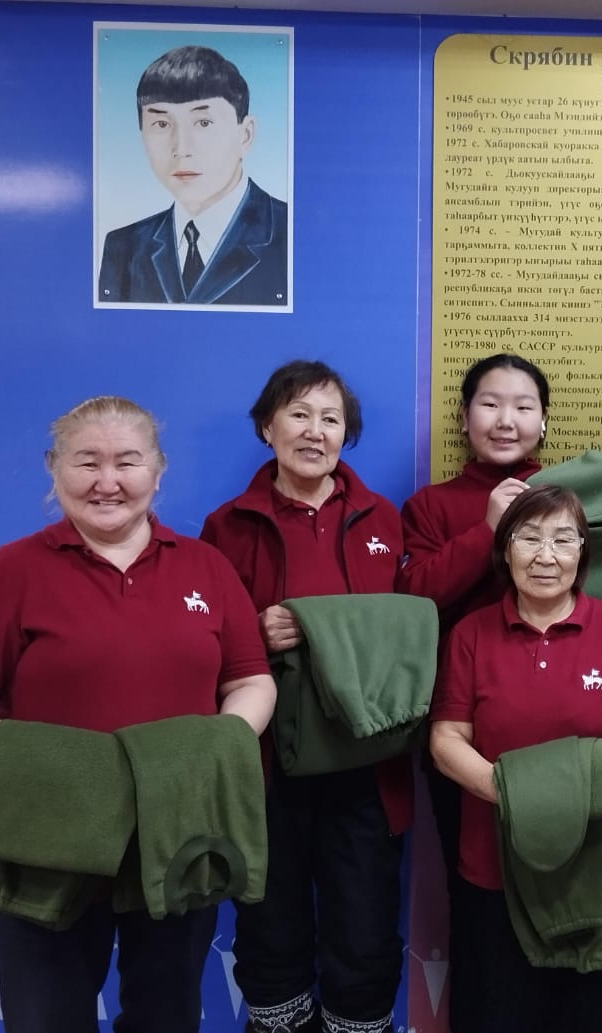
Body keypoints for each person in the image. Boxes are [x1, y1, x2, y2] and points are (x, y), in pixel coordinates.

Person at [0, 396, 275, 1032]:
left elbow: (250, 679)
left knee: (167, 1015)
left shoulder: (206, 567)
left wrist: (212, 752)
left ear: (158, 470)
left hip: (178, 828)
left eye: (127, 462)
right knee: (47, 1017)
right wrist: (49, 765)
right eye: (86, 462)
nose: (107, 481)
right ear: (54, 468)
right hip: (47, 833)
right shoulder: (11, 572)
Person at [398, 352, 602, 1028]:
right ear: (464, 416)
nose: (506, 419)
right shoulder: (435, 508)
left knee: (593, 988)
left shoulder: (573, 500)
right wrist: (487, 525)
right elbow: (414, 599)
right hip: (477, 740)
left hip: (592, 796)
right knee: (491, 954)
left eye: (523, 406)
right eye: (490, 403)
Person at [200, 361, 405, 1033]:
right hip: (266, 763)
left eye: (331, 418)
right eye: (299, 414)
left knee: (366, 928)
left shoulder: (384, 519)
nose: (315, 431)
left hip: (365, 758)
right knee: (270, 923)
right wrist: (254, 631)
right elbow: (202, 639)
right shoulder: (227, 526)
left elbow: (411, 626)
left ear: (347, 434)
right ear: (268, 427)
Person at [429, 484, 602, 1033]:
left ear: (583, 553)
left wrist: (555, 794)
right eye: (530, 538)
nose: (546, 555)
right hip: (495, 870)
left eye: (564, 540)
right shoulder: (470, 634)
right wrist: (520, 800)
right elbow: (446, 742)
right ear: (505, 550)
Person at [98, 45, 289, 307]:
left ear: (245, 135)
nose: (182, 148)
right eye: (162, 124)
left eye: (203, 123)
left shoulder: (290, 233)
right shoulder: (123, 247)